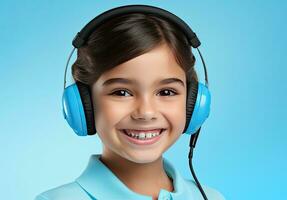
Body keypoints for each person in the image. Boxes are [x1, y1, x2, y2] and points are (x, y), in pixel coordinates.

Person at [35, 5, 224, 200]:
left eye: (166, 92)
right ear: (84, 104)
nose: (146, 112)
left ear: (193, 104)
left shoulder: (210, 197)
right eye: (122, 92)